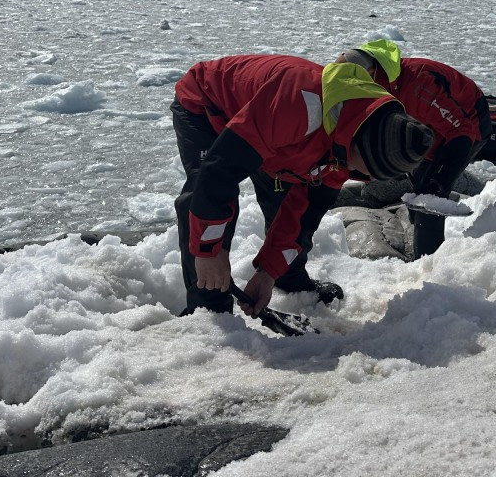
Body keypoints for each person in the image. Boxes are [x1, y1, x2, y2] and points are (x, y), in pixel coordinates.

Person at [171, 54, 434, 317]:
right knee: (204, 195)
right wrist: (209, 252)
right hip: (209, 106)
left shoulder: (348, 144)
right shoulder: (300, 105)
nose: (363, 176)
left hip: (272, 135)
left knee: (286, 203)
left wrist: (269, 272)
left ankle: (287, 277)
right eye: (369, 169)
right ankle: (208, 307)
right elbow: (218, 174)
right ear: (361, 146)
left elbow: (305, 214)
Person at [335, 39, 492, 255]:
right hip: (427, 131)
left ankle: (429, 262)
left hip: (469, 126)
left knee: (429, 198)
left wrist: (440, 180)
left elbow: (462, 131)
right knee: (417, 190)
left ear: (371, 73)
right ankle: (420, 240)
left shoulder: (417, 84)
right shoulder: (378, 88)